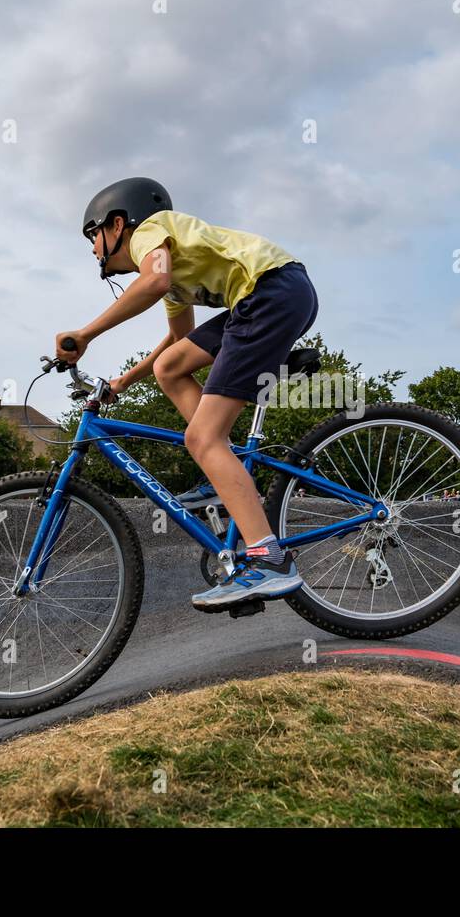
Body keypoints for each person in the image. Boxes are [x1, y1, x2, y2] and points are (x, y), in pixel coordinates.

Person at [55, 178, 317, 611]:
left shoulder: (149, 233)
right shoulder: (174, 274)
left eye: (94, 236)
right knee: (169, 368)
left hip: (269, 292)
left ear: (118, 224)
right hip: (269, 296)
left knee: (202, 438)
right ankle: (223, 468)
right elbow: (179, 339)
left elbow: (152, 281)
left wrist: (85, 334)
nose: (94, 250)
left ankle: (268, 559)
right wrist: (124, 380)